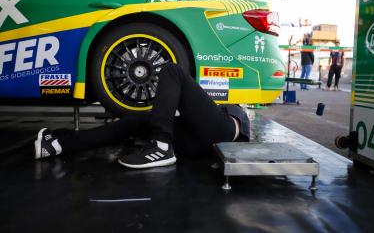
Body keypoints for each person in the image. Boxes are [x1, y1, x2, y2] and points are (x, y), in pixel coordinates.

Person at [34, 63, 250, 169]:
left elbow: (236, 127)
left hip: (220, 133)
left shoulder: (234, 111)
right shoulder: (205, 112)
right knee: (132, 124)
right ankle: (59, 143)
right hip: (193, 145)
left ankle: (161, 147)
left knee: (172, 70)